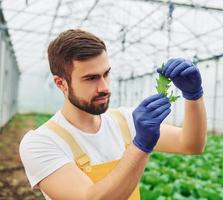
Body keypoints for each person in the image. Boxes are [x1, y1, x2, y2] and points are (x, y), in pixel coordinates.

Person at [19, 29, 207, 200]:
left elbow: (191, 144)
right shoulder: (41, 142)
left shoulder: (125, 120)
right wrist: (140, 146)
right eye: (91, 78)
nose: (105, 87)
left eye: (106, 74)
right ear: (61, 83)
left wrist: (193, 96)